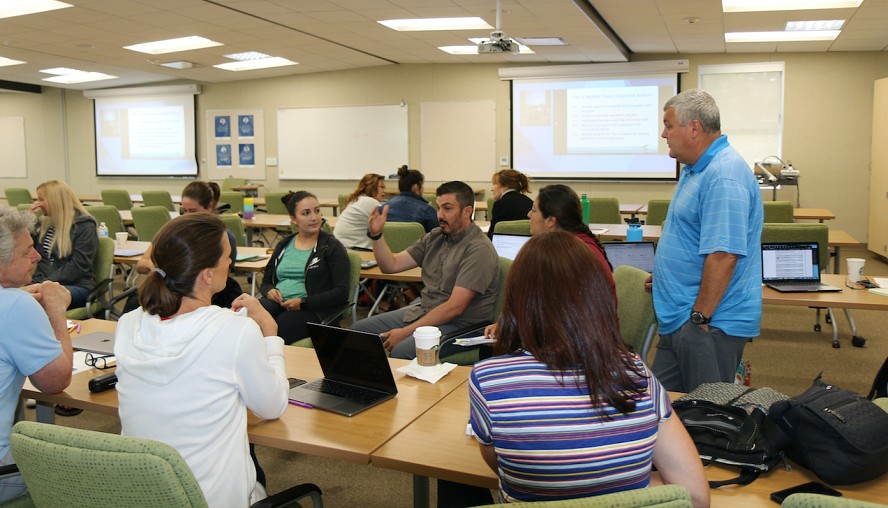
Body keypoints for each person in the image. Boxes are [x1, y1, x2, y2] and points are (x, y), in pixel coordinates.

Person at [469, 231, 709, 507]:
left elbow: (505, 470)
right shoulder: (637, 374)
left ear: (516, 299)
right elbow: (697, 496)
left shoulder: (487, 381)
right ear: (598, 296)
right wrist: (633, 486)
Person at [115, 213, 289, 507]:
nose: (231, 263)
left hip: (142, 495)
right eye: (227, 257)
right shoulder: (235, 330)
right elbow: (272, 406)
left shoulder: (129, 323)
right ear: (207, 274)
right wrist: (270, 334)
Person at [649, 88, 763, 392]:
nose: (664, 134)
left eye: (669, 125)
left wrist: (700, 319)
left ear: (694, 128)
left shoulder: (724, 174)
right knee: (663, 409)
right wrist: (664, 277)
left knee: (707, 417)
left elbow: (724, 255)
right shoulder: (695, 169)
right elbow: (692, 238)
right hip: (681, 315)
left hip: (707, 322)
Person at [352, 181, 498, 360]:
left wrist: (405, 332)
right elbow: (390, 265)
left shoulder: (478, 249)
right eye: (438, 208)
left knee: (401, 351)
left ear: (467, 212)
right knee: (357, 332)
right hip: (425, 311)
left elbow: (455, 308)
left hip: (460, 325)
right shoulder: (435, 236)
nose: (440, 215)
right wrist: (376, 235)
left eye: (447, 209)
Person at [0, 208, 74, 503]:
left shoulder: (14, 302)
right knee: (89, 472)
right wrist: (57, 311)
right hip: (3, 472)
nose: (37, 257)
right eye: (27, 251)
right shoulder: (16, 306)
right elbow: (55, 381)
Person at [484, 184, 613, 340]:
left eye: (534, 210)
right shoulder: (573, 245)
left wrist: (514, 327)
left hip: (581, 343)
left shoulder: (571, 254)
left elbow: (557, 313)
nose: (528, 214)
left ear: (551, 220)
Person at [126, 181, 243, 313]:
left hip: (200, 292)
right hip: (175, 289)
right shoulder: (176, 231)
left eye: (193, 211)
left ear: (209, 206)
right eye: (184, 211)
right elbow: (142, 264)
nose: (188, 215)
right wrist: (158, 270)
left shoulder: (223, 237)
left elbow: (218, 277)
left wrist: (163, 267)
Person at [259, 191, 350, 344]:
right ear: (294, 219)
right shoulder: (284, 245)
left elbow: (341, 292)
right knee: (249, 322)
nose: (314, 217)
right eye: (306, 213)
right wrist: (269, 291)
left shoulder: (331, 247)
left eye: (317, 210)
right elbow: (266, 282)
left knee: (278, 329)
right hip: (278, 302)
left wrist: (303, 302)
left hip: (314, 309)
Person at [29, 180, 98, 309]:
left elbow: (78, 266)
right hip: (44, 283)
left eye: (41, 199)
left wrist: (45, 283)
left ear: (55, 200)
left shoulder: (84, 225)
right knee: (16, 294)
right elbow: (26, 251)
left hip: (77, 285)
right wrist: (29, 223)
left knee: (42, 298)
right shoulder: (43, 223)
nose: (38, 204)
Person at [333, 173, 386, 250]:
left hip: (342, 246)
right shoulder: (370, 202)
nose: (385, 191)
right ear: (372, 187)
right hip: (355, 249)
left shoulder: (357, 199)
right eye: (382, 187)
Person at [383, 165, 438, 232]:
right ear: (416, 187)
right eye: (422, 185)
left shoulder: (383, 209)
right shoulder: (427, 211)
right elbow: (438, 237)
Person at [487, 168, 532, 239]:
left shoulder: (500, 204)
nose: (492, 188)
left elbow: (493, 234)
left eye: (495, 184)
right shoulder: (529, 201)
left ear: (505, 185)